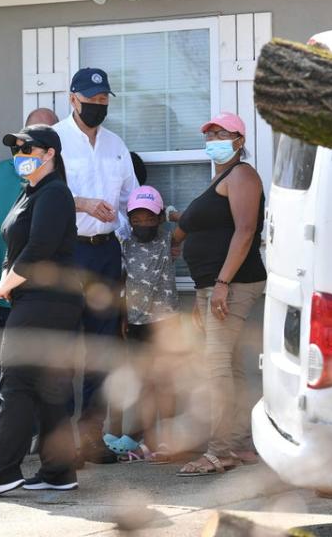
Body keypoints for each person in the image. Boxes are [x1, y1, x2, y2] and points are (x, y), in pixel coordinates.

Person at [0, 124, 83, 499]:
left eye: (27, 148)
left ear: (49, 153)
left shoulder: (54, 195)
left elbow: (38, 251)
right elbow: (12, 248)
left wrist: (4, 286)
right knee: (48, 388)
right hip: (33, 301)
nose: (19, 155)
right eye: (15, 149)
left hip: (47, 303)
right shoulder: (29, 193)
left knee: (16, 386)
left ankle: (2, 472)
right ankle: (58, 470)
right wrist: (6, 281)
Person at [172, 112, 267, 476]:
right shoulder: (220, 180)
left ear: (239, 141)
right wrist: (176, 233)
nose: (213, 137)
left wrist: (223, 285)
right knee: (228, 368)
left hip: (234, 284)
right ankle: (240, 445)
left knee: (215, 368)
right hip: (213, 286)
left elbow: (244, 232)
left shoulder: (242, 175)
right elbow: (200, 224)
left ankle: (219, 452)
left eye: (221, 132)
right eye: (209, 132)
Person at [52, 68, 136, 465]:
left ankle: (92, 436)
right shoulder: (52, 140)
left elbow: (130, 201)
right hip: (67, 254)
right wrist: (81, 203)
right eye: (90, 99)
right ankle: (58, 440)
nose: (97, 106)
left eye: (103, 100)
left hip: (105, 255)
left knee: (102, 349)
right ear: (72, 99)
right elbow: (36, 196)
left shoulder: (117, 145)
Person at [0, 108, 57, 412]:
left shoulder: (55, 184)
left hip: (30, 297)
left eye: (31, 143)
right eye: (20, 141)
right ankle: (17, 422)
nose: (23, 149)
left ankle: (26, 429)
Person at [116, 185, 181, 463]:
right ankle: (146, 439)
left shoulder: (166, 240)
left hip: (165, 323)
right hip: (135, 324)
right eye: (137, 219)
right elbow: (121, 284)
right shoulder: (124, 243)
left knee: (165, 383)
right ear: (129, 220)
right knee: (144, 384)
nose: (143, 224)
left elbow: (192, 222)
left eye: (150, 218)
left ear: (159, 220)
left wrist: (172, 215)